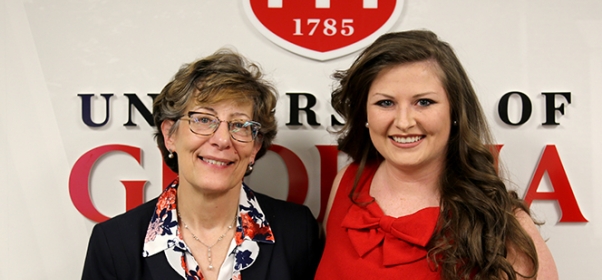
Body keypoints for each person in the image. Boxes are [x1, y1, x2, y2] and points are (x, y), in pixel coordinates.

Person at [315, 30, 559, 279]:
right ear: (364, 112)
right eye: (385, 103)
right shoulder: (346, 183)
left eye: (424, 102)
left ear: (455, 111)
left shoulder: (503, 225)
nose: (404, 122)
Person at [82, 48, 322, 280]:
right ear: (170, 135)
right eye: (204, 120)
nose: (222, 140)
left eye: (239, 125)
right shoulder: (114, 243)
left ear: (255, 147)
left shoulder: (298, 232)